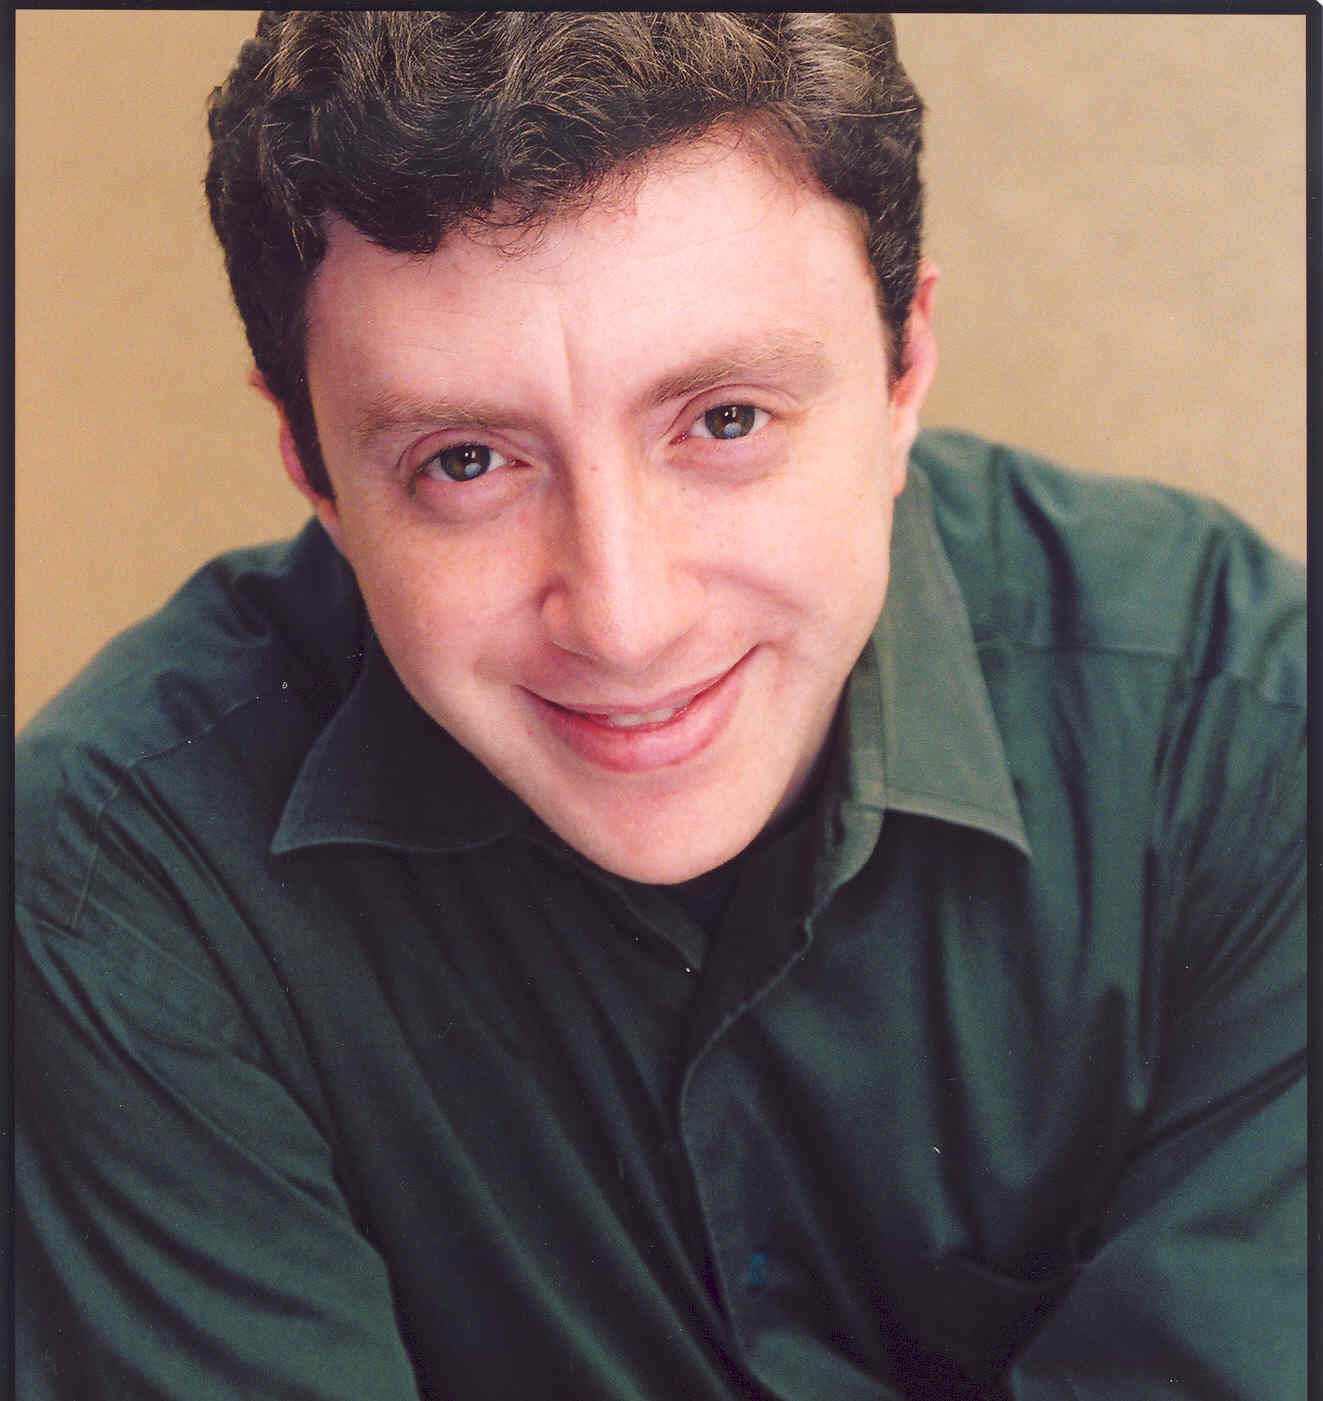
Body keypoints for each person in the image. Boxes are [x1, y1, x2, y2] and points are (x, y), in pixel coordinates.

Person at [15, 13, 1304, 1400]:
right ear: (311, 465)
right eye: (467, 461)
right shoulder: (125, 880)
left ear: (903, 369)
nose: (625, 622)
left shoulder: (1244, 736)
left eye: (726, 420)